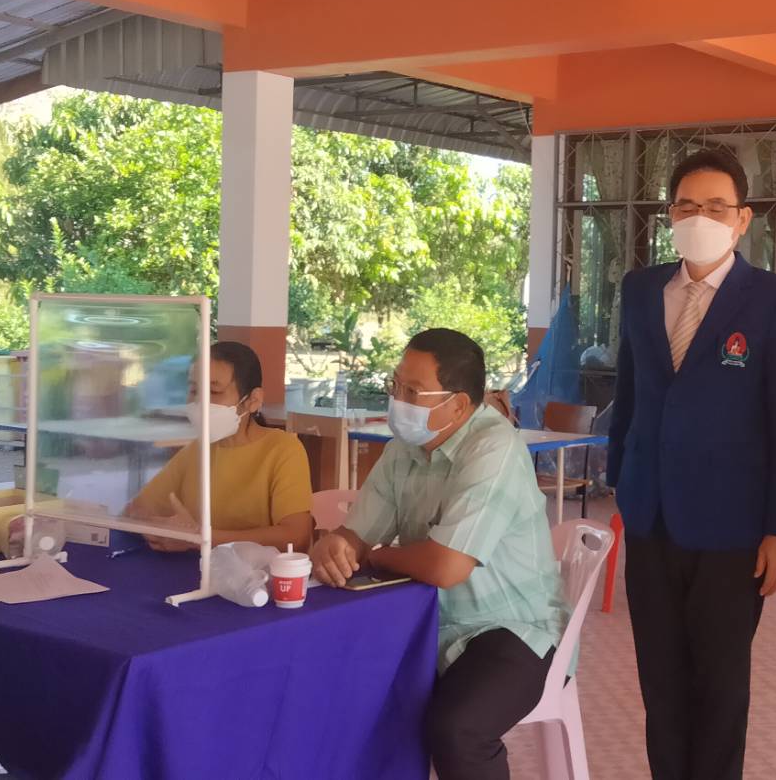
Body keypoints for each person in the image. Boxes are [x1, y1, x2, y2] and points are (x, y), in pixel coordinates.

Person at [605, 148, 776, 779]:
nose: (701, 217)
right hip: (650, 518)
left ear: (743, 219)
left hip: (733, 529)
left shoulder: (775, 300)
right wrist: (620, 484)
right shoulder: (641, 289)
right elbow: (629, 393)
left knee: (720, 688)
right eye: (688, 206)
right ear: (670, 215)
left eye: (717, 207)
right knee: (661, 684)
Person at [310, 329, 565, 780]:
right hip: (427, 623)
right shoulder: (403, 449)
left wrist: (378, 556)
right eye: (396, 385)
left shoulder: (494, 448)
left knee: (458, 729)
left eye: (413, 392)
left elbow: (447, 566)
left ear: (459, 405)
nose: (398, 400)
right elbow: (357, 535)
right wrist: (336, 545)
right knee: (340, 694)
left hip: (514, 628)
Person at [126, 341, 315, 552]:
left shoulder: (282, 449)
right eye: (194, 390)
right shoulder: (197, 451)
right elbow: (137, 509)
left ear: (253, 400)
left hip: (255, 573)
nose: (200, 402)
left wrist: (200, 538)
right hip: (197, 569)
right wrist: (155, 526)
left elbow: (295, 537)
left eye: (214, 391)